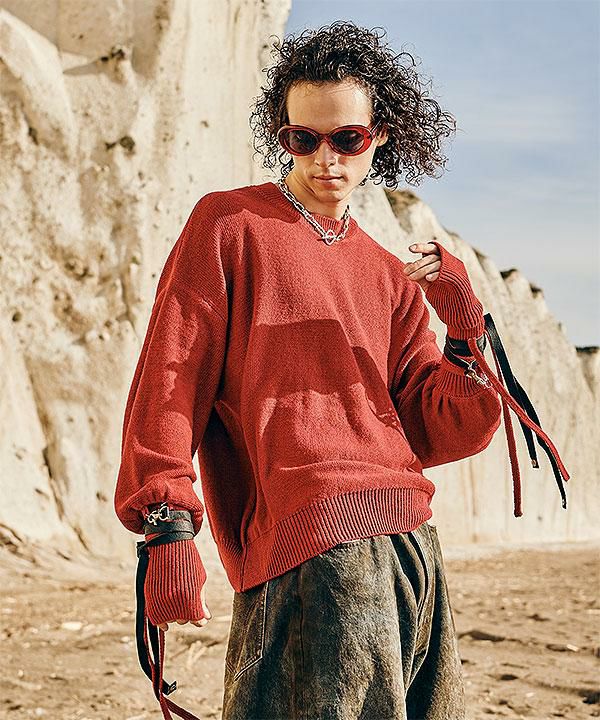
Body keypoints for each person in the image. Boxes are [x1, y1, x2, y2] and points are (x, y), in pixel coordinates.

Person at [114, 20, 566, 720]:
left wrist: (465, 325)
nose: (326, 158)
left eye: (347, 138)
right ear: (283, 136)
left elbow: (441, 428)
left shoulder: (389, 274)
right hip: (315, 546)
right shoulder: (230, 225)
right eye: (304, 138)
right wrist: (167, 522)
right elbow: (172, 373)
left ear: (380, 136)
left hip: (413, 550)